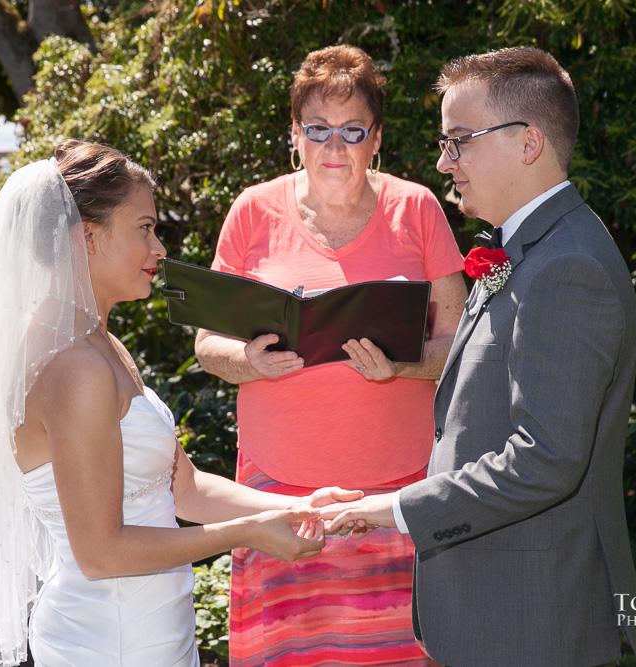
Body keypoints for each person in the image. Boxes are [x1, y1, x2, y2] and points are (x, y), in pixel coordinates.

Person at [0, 140, 361, 666]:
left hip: (150, 629)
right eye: (144, 228)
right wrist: (248, 534)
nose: (159, 249)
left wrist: (300, 505)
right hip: (109, 638)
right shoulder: (75, 368)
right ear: (87, 236)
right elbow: (100, 552)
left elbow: (186, 490)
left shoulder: (99, 344)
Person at [321, 46, 636, 666]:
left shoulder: (566, 267)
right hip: (500, 613)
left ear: (527, 143)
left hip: (530, 622)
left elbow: (546, 460)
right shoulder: (528, 250)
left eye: (459, 141)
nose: (444, 162)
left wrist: (392, 508)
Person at [194, 45, 467, 666]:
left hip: (399, 484)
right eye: (317, 129)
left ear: (377, 138)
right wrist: (250, 361)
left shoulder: (417, 208)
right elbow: (208, 345)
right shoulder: (253, 210)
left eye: (352, 131)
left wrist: (402, 365)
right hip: (276, 486)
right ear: (294, 134)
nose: (333, 147)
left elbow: (462, 344)